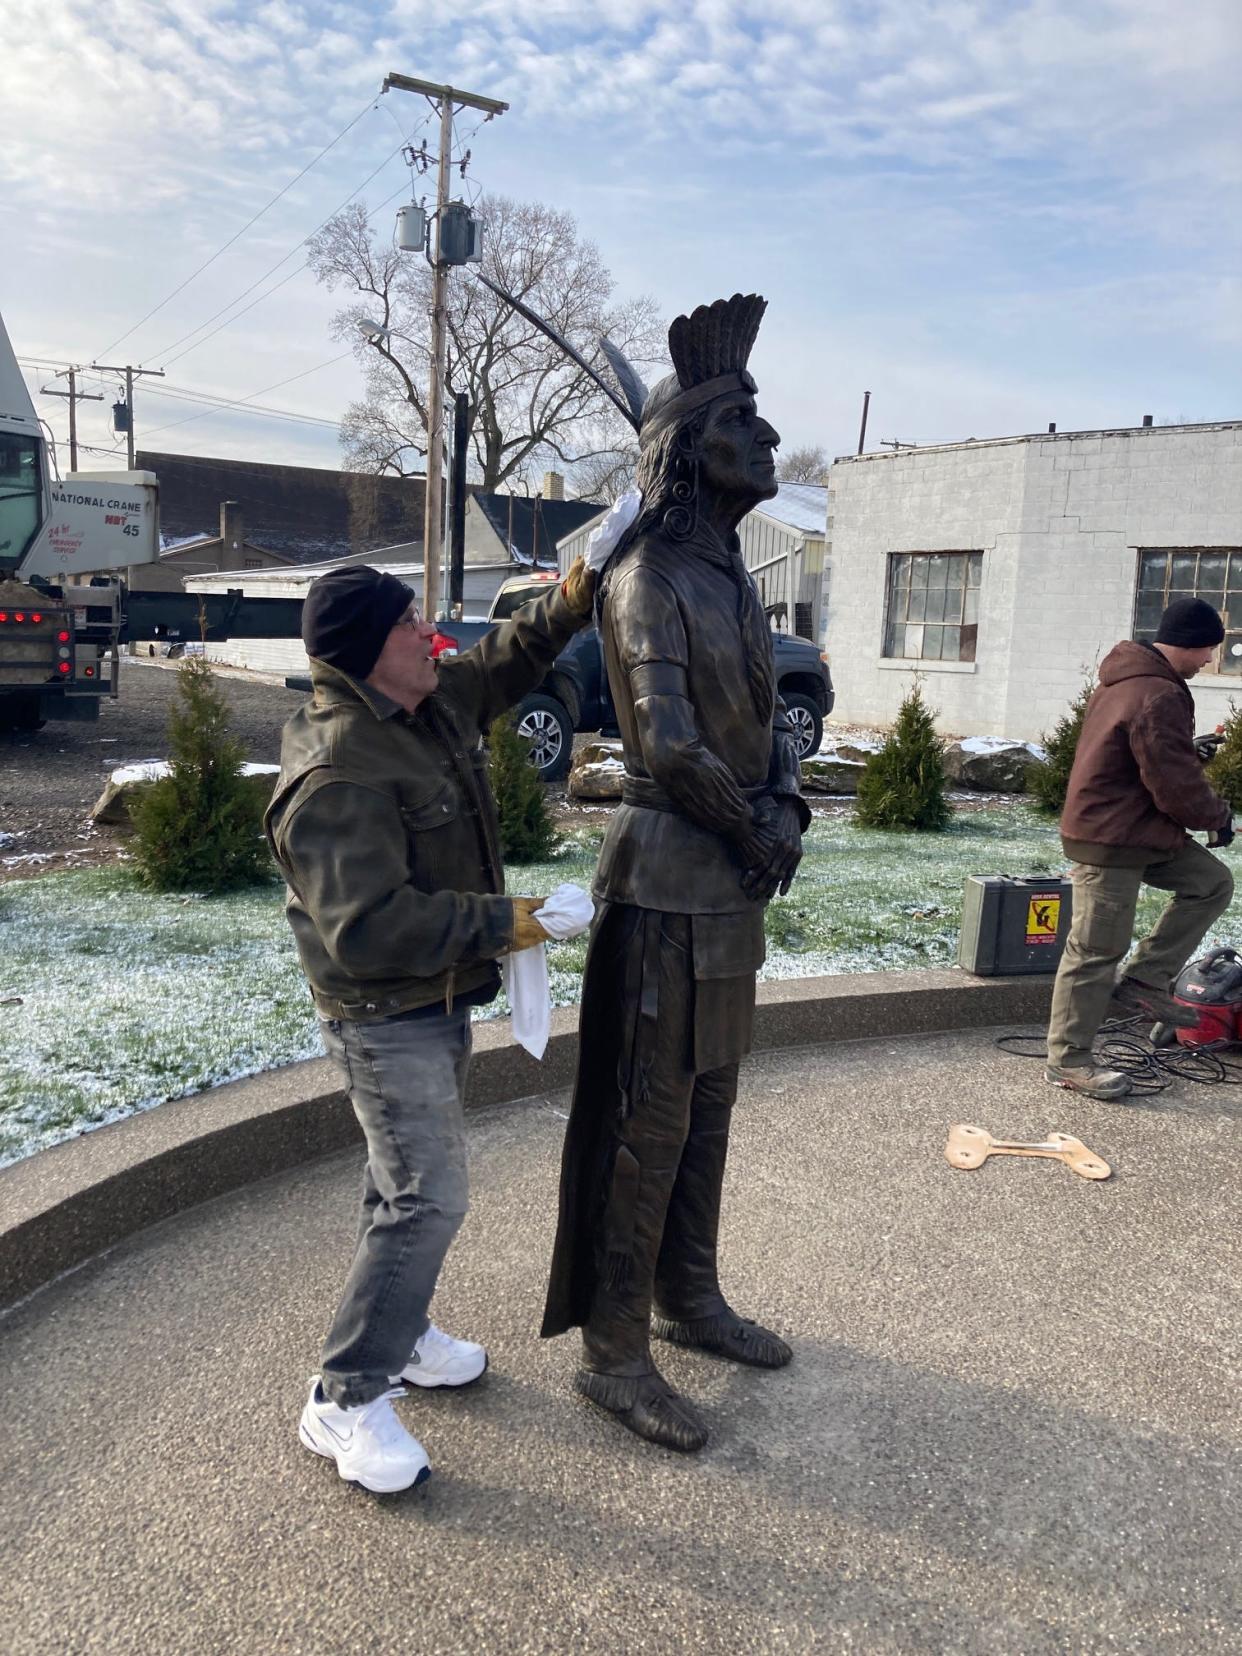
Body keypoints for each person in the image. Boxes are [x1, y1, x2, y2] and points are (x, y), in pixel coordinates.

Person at [540, 293, 811, 1453]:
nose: (768, 438)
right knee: (646, 1122)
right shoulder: (645, 574)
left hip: (729, 893)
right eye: (743, 421)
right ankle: (613, 1352)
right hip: (661, 886)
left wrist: (785, 808)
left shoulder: (735, 579)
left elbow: (773, 724)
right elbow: (667, 743)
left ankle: (687, 1297)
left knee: (710, 1109)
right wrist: (754, 833)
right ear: (691, 450)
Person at [265, 557, 595, 1493]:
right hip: (384, 1015)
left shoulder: (422, 702)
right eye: (412, 622)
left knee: (398, 1187)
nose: (432, 634)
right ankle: (344, 1399)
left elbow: (503, 658)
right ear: (371, 650)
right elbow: (369, 930)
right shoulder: (338, 767)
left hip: (436, 1002)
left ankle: (401, 1339)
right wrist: (510, 920)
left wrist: (576, 589)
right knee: (427, 1196)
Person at [1046, 596, 1235, 1099]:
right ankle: (1069, 1061)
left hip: (1138, 829)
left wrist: (1187, 751)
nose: (1206, 663)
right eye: (1207, 652)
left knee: (1210, 883)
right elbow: (1173, 784)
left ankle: (1148, 979)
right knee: (1095, 950)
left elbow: (1144, 755)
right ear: (1193, 645)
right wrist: (1217, 816)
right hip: (1111, 837)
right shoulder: (1155, 693)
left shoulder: (1133, 682)